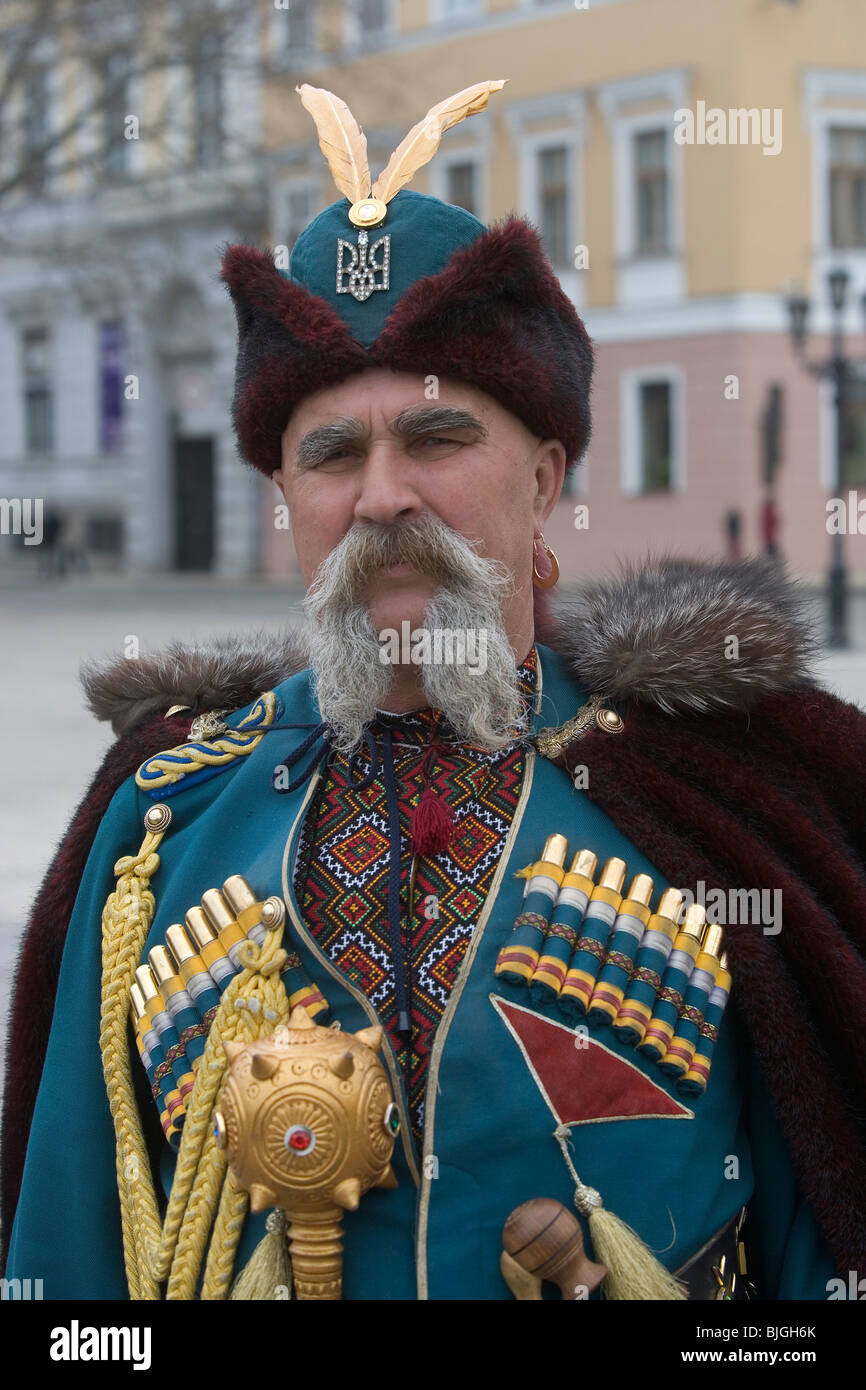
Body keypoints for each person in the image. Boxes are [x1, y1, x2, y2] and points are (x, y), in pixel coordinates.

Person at [3, 80, 865, 1302]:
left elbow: (813, 1234)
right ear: (288, 503)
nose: (384, 495)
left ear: (545, 475)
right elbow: (69, 1263)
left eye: (438, 438)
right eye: (332, 454)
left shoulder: (720, 802)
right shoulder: (159, 828)